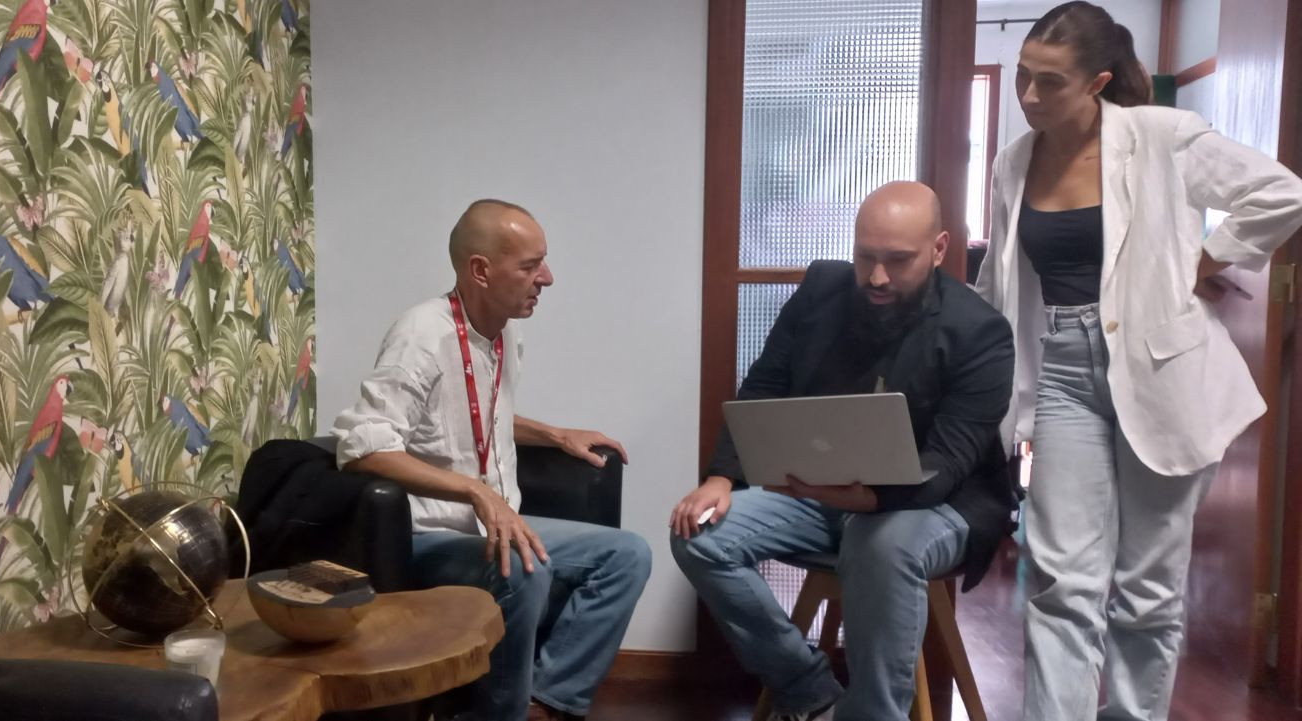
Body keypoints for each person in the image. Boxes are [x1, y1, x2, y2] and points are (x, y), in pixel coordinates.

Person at [975, 4, 1302, 719]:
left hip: (1161, 373)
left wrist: (1204, 259)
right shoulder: (1013, 162)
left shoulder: (1161, 136)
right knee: (1062, 582)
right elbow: (998, 282)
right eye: (1023, 77)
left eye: (1049, 82)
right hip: (1062, 369)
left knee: (1148, 590)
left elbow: (1282, 193)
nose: (1028, 96)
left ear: (1097, 82)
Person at [670, 182, 1016, 721]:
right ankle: (809, 691)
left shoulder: (980, 331)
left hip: (939, 503)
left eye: (897, 261)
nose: (876, 277)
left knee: (882, 544)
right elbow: (764, 385)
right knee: (699, 535)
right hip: (822, 489)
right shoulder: (821, 289)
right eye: (865, 257)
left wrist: (871, 500)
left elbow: (949, 463)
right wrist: (721, 478)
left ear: (939, 249)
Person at [331, 199, 651, 721]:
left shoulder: (505, 333)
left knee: (627, 556)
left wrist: (555, 434)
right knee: (524, 569)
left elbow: (474, 413)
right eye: (530, 266)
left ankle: (545, 701)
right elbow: (363, 447)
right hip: (427, 536)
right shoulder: (421, 337)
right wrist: (476, 492)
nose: (547, 278)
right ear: (480, 270)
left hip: (494, 526)